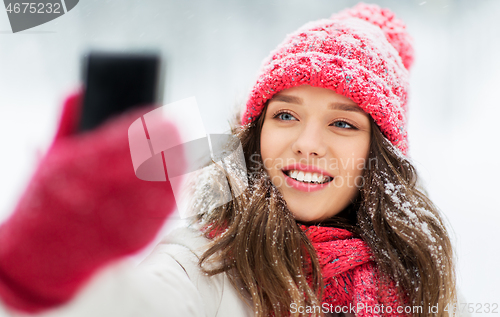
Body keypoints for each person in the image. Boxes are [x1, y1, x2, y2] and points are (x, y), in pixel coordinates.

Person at [0, 3, 459, 317]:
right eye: (285, 115)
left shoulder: (418, 280)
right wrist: (42, 275)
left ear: (379, 156)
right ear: (257, 134)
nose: (307, 143)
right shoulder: (205, 264)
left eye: (343, 124)